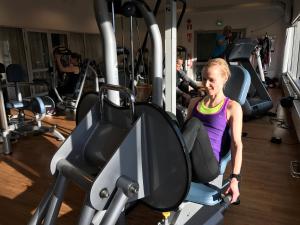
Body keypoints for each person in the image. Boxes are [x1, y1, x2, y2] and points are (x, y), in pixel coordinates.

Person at [184, 58, 243, 203]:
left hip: (208, 167)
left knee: (195, 123)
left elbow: (237, 144)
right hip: (189, 163)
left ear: (224, 79)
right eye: (204, 79)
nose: (206, 84)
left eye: (212, 80)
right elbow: (185, 134)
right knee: (171, 118)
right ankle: (172, 164)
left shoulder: (232, 107)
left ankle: (170, 164)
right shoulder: (194, 102)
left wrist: (235, 179)